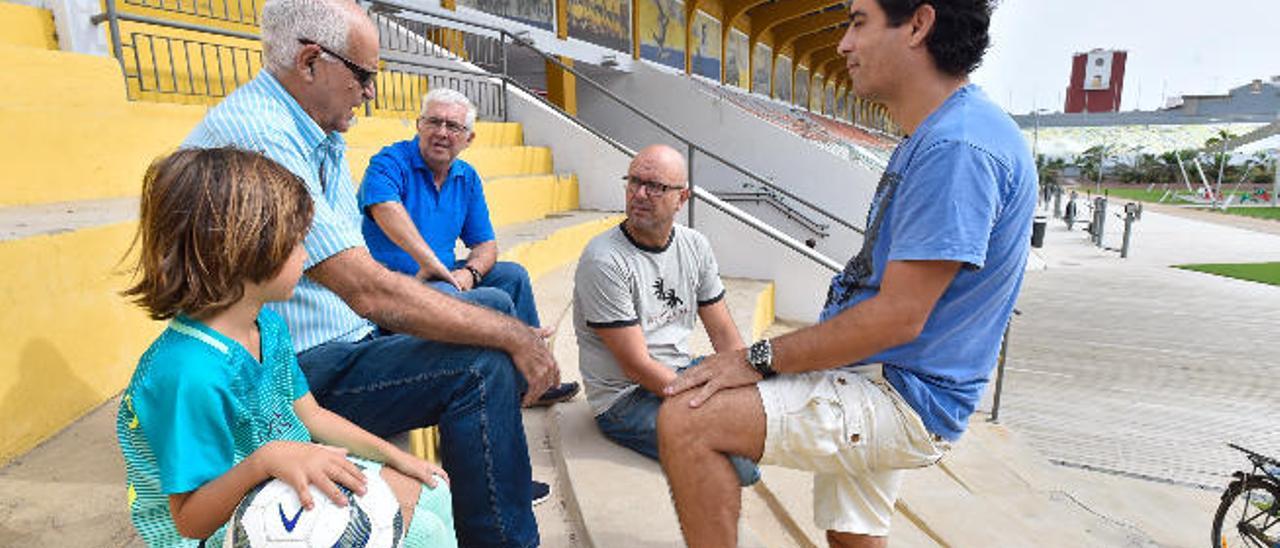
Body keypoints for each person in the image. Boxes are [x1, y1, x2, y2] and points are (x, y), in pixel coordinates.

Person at [655, 1, 1036, 546]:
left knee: (688, 418)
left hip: (903, 391)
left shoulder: (959, 147)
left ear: (919, 25)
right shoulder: (950, 129)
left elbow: (898, 318)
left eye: (859, 22)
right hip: (890, 373)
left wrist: (757, 359)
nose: (843, 45)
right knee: (851, 536)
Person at [181, 0, 555, 545]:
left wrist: (505, 322)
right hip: (303, 366)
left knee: (499, 305)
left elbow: (464, 252)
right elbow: (365, 291)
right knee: (483, 359)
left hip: (339, 339)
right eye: (364, 76)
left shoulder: (309, 127)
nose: (371, 92)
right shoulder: (264, 138)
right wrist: (514, 336)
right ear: (311, 62)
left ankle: (503, 487)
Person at [116, 148, 455, 547]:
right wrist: (267, 460)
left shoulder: (265, 323)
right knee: (424, 536)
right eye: (296, 243)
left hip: (280, 472)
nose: (307, 254)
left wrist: (392, 455)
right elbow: (190, 521)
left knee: (432, 486)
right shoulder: (189, 375)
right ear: (245, 250)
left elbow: (309, 413)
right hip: (216, 527)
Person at [357, 88, 579, 406]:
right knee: (487, 298)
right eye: (434, 122)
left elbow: (486, 244)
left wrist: (470, 274)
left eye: (453, 127)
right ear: (419, 125)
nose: (442, 133)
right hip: (394, 289)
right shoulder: (390, 162)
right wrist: (433, 264)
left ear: (469, 138)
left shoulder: (467, 177)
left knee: (512, 276)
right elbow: (384, 207)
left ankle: (532, 378)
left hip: (443, 280)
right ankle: (494, 381)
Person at [572, 145, 760, 486]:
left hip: (676, 373)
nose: (640, 194)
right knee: (741, 467)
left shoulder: (694, 245)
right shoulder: (604, 260)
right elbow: (636, 366)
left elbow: (724, 334)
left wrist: (741, 383)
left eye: (655, 186)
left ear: (682, 198)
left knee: (768, 400)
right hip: (626, 399)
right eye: (634, 182)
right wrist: (706, 402)